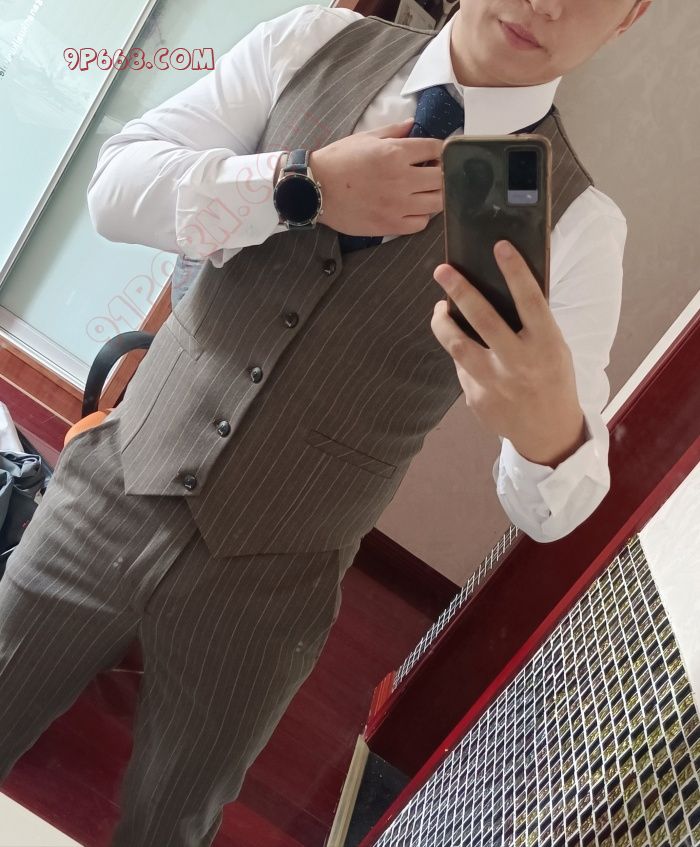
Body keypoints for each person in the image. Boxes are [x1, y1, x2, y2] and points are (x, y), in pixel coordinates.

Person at [0, 1, 652, 845]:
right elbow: (116, 188)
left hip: (273, 590)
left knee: (172, 822)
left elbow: (556, 510)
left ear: (631, 16)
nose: (548, 3)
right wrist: (294, 186)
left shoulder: (581, 224)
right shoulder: (312, 41)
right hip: (111, 487)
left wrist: (548, 429)